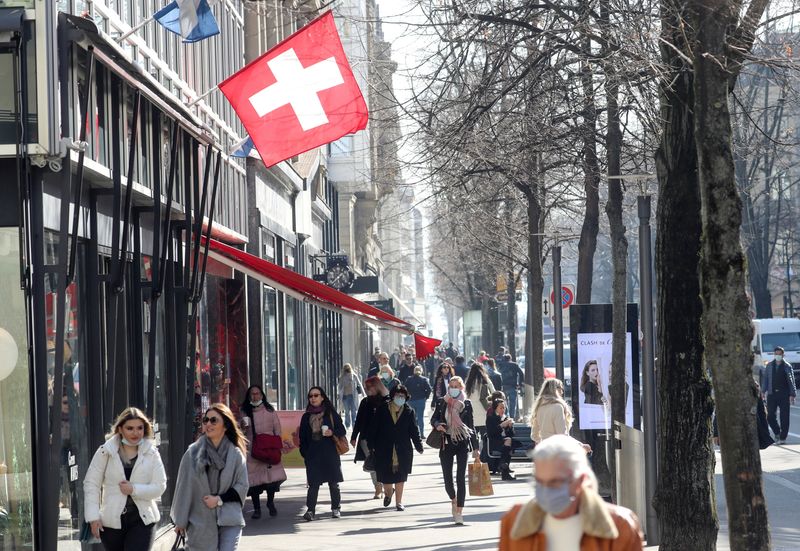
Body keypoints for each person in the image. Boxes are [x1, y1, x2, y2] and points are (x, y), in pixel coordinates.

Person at [498, 435, 644, 550]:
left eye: (555, 482)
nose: (546, 490)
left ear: (581, 480)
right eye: (539, 482)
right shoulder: (513, 521)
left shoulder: (621, 525)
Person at [84, 407, 166, 549]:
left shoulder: (151, 452)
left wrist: (133, 489)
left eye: (139, 428)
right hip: (112, 521)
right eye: (130, 428)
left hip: (143, 519)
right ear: (120, 429)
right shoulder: (106, 451)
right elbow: (91, 484)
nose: (136, 433)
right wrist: (93, 517)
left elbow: (160, 486)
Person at [171, 403, 249, 550]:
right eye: (205, 420)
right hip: (200, 520)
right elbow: (184, 488)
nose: (208, 424)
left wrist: (219, 500)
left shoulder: (235, 454)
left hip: (229, 518)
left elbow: (242, 486)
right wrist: (180, 520)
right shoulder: (192, 453)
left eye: (214, 420)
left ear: (225, 426)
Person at [431, 376, 480, 525]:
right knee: (448, 480)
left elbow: (471, 426)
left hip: (462, 443)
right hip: (446, 441)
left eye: (456, 386)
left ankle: (459, 511)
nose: (453, 388)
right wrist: (438, 424)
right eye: (451, 386)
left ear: (461, 388)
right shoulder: (442, 402)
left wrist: (475, 448)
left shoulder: (466, 404)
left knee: (460, 478)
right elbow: (433, 419)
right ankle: (453, 499)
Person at [369, 385, 424, 510]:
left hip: (403, 449)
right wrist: (371, 445)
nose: (400, 398)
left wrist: (419, 445)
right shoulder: (382, 409)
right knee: (387, 478)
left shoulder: (409, 411)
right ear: (392, 396)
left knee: (401, 477)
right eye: (398, 395)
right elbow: (374, 428)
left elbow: (414, 430)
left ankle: (399, 502)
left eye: (403, 396)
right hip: (384, 448)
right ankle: (389, 492)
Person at [299, 386, 347, 521]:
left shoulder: (330, 413)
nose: (313, 398)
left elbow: (341, 429)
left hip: (329, 452)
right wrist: (305, 453)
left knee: (333, 482)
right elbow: (302, 437)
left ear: (322, 397)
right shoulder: (306, 416)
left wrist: (332, 432)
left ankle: (336, 508)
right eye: (311, 396)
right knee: (313, 484)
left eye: (316, 395)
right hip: (313, 454)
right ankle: (310, 510)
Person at [239, 385, 286, 519]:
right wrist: (242, 425)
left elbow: (277, 428)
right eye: (252, 394)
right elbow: (240, 431)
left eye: (258, 393)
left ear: (262, 395)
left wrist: (277, 445)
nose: (255, 396)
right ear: (249, 396)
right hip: (253, 450)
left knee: (271, 480)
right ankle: (257, 508)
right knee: (254, 482)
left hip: (269, 449)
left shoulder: (270, 410)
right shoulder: (245, 411)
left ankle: (270, 503)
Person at [351, 376, 391, 499]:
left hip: (383, 437)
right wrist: (354, 436)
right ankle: (378, 487)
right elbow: (359, 420)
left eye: (370, 387)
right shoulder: (365, 402)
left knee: (383, 463)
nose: (368, 390)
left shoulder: (387, 400)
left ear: (377, 386)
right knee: (372, 462)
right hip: (366, 438)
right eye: (366, 388)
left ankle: (386, 486)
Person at [760, 346, 797, 444]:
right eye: (776, 354)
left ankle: (783, 437)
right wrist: (763, 391)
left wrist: (792, 394)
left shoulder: (787, 366)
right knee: (770, 415)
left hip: (784, 394)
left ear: (783, 355)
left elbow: (791, 380)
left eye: (779, 354)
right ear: (774, 354)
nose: (777, 356)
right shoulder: (769, 366)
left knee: (784, 417)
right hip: (772, 394)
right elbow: (766, 380)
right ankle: (777, 432)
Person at [531, 379, 573, 444]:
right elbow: (562, 434)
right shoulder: (558, 407)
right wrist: (579, 444)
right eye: (561, 388)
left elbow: (534, 435)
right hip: (557, 448)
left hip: (544, 448)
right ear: (556, 390)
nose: (562, 392)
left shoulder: (539, 407)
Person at [486, 399, 518, 481]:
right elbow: (491, 433)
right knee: (509, 444)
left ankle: (503, 465)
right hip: (495, 442)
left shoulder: (506, 418)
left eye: (504, 408)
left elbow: (512, 434)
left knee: (509, 442)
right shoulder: (491, 418)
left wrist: (510, 427)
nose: (503, 410)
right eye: (501, 408)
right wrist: (501, 426)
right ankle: (505, 472)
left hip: (505, 442)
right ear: (495, 408)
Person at [465, 362, 495, 438]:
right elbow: (493, 392)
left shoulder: (469, 381)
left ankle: (475, 449)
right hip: (484, 409)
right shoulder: (485, 380)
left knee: (473, 436)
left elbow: (465, 395)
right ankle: (483, 449)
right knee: (484, 435)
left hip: (472, 411)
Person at [404, 365, 433, 437]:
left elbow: (404, 388)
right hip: (421, 400)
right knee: (420, 418)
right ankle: (422, 434)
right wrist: (426, 397)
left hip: (410, 400)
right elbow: (429, 389)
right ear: (421, 371)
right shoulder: (424, 379)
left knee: (411, 418)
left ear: (414, 371)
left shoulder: (409, 379)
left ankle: (411, 433)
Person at [498, 354, 525, 420]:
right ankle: (512, 417)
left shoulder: (501, 365)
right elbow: (521, 373)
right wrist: (520, 383)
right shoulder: (515, 365)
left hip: (504, 386)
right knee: (513, 403)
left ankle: (505, 416)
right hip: (513, 386)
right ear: (510, 358)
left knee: (504, 402)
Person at [338, 364, 362, 430]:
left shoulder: (354, 376)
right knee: (347, 412)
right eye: (346, 369)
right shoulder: (342, 377)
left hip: (353, 396)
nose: (347, 370)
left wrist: (363, 393)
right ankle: (347, 425)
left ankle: (354, 425)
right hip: (345, 396)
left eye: (348, 368)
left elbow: (359, 384)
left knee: (354, 411)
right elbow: (340, 387)